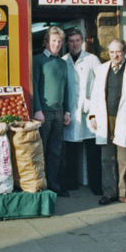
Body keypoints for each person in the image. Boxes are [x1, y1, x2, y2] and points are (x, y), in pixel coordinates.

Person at [88, 38, 126, 205]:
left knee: (123, 158)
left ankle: (123, 192)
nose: (115, 55)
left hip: (124, 118)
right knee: (107, 158)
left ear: (125, 52)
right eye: (112, 52)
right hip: (104, 118)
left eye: (118, 52)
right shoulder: (101, 69)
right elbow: (95, 94)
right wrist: (92, 115)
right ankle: (109, 192)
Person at [61, 28, 102, 195]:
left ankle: (96, 186)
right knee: (70, 150)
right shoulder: (63, 61)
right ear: (66, 43)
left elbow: (100, 84)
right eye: (71, 41)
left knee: (93, 150)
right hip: (71, 110)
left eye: (77, 40)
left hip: (89, 111)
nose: (74, 44)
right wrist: (65, 110)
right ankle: (71, 183)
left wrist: (94, 106)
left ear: (82, 41)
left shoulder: (92, 59)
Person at [33, 26, 72, 197]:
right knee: (41, 150)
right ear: (46, 42)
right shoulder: (38, 60)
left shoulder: (62, 63)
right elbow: (34, 85)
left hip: (59, 112)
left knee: (56, 151)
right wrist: (38, 109)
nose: (57, 44)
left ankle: (54, 185)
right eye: (53, 41)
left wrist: (67, 111)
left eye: (59, 41)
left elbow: (66, 88)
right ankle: (41, 186)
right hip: (44, 113)